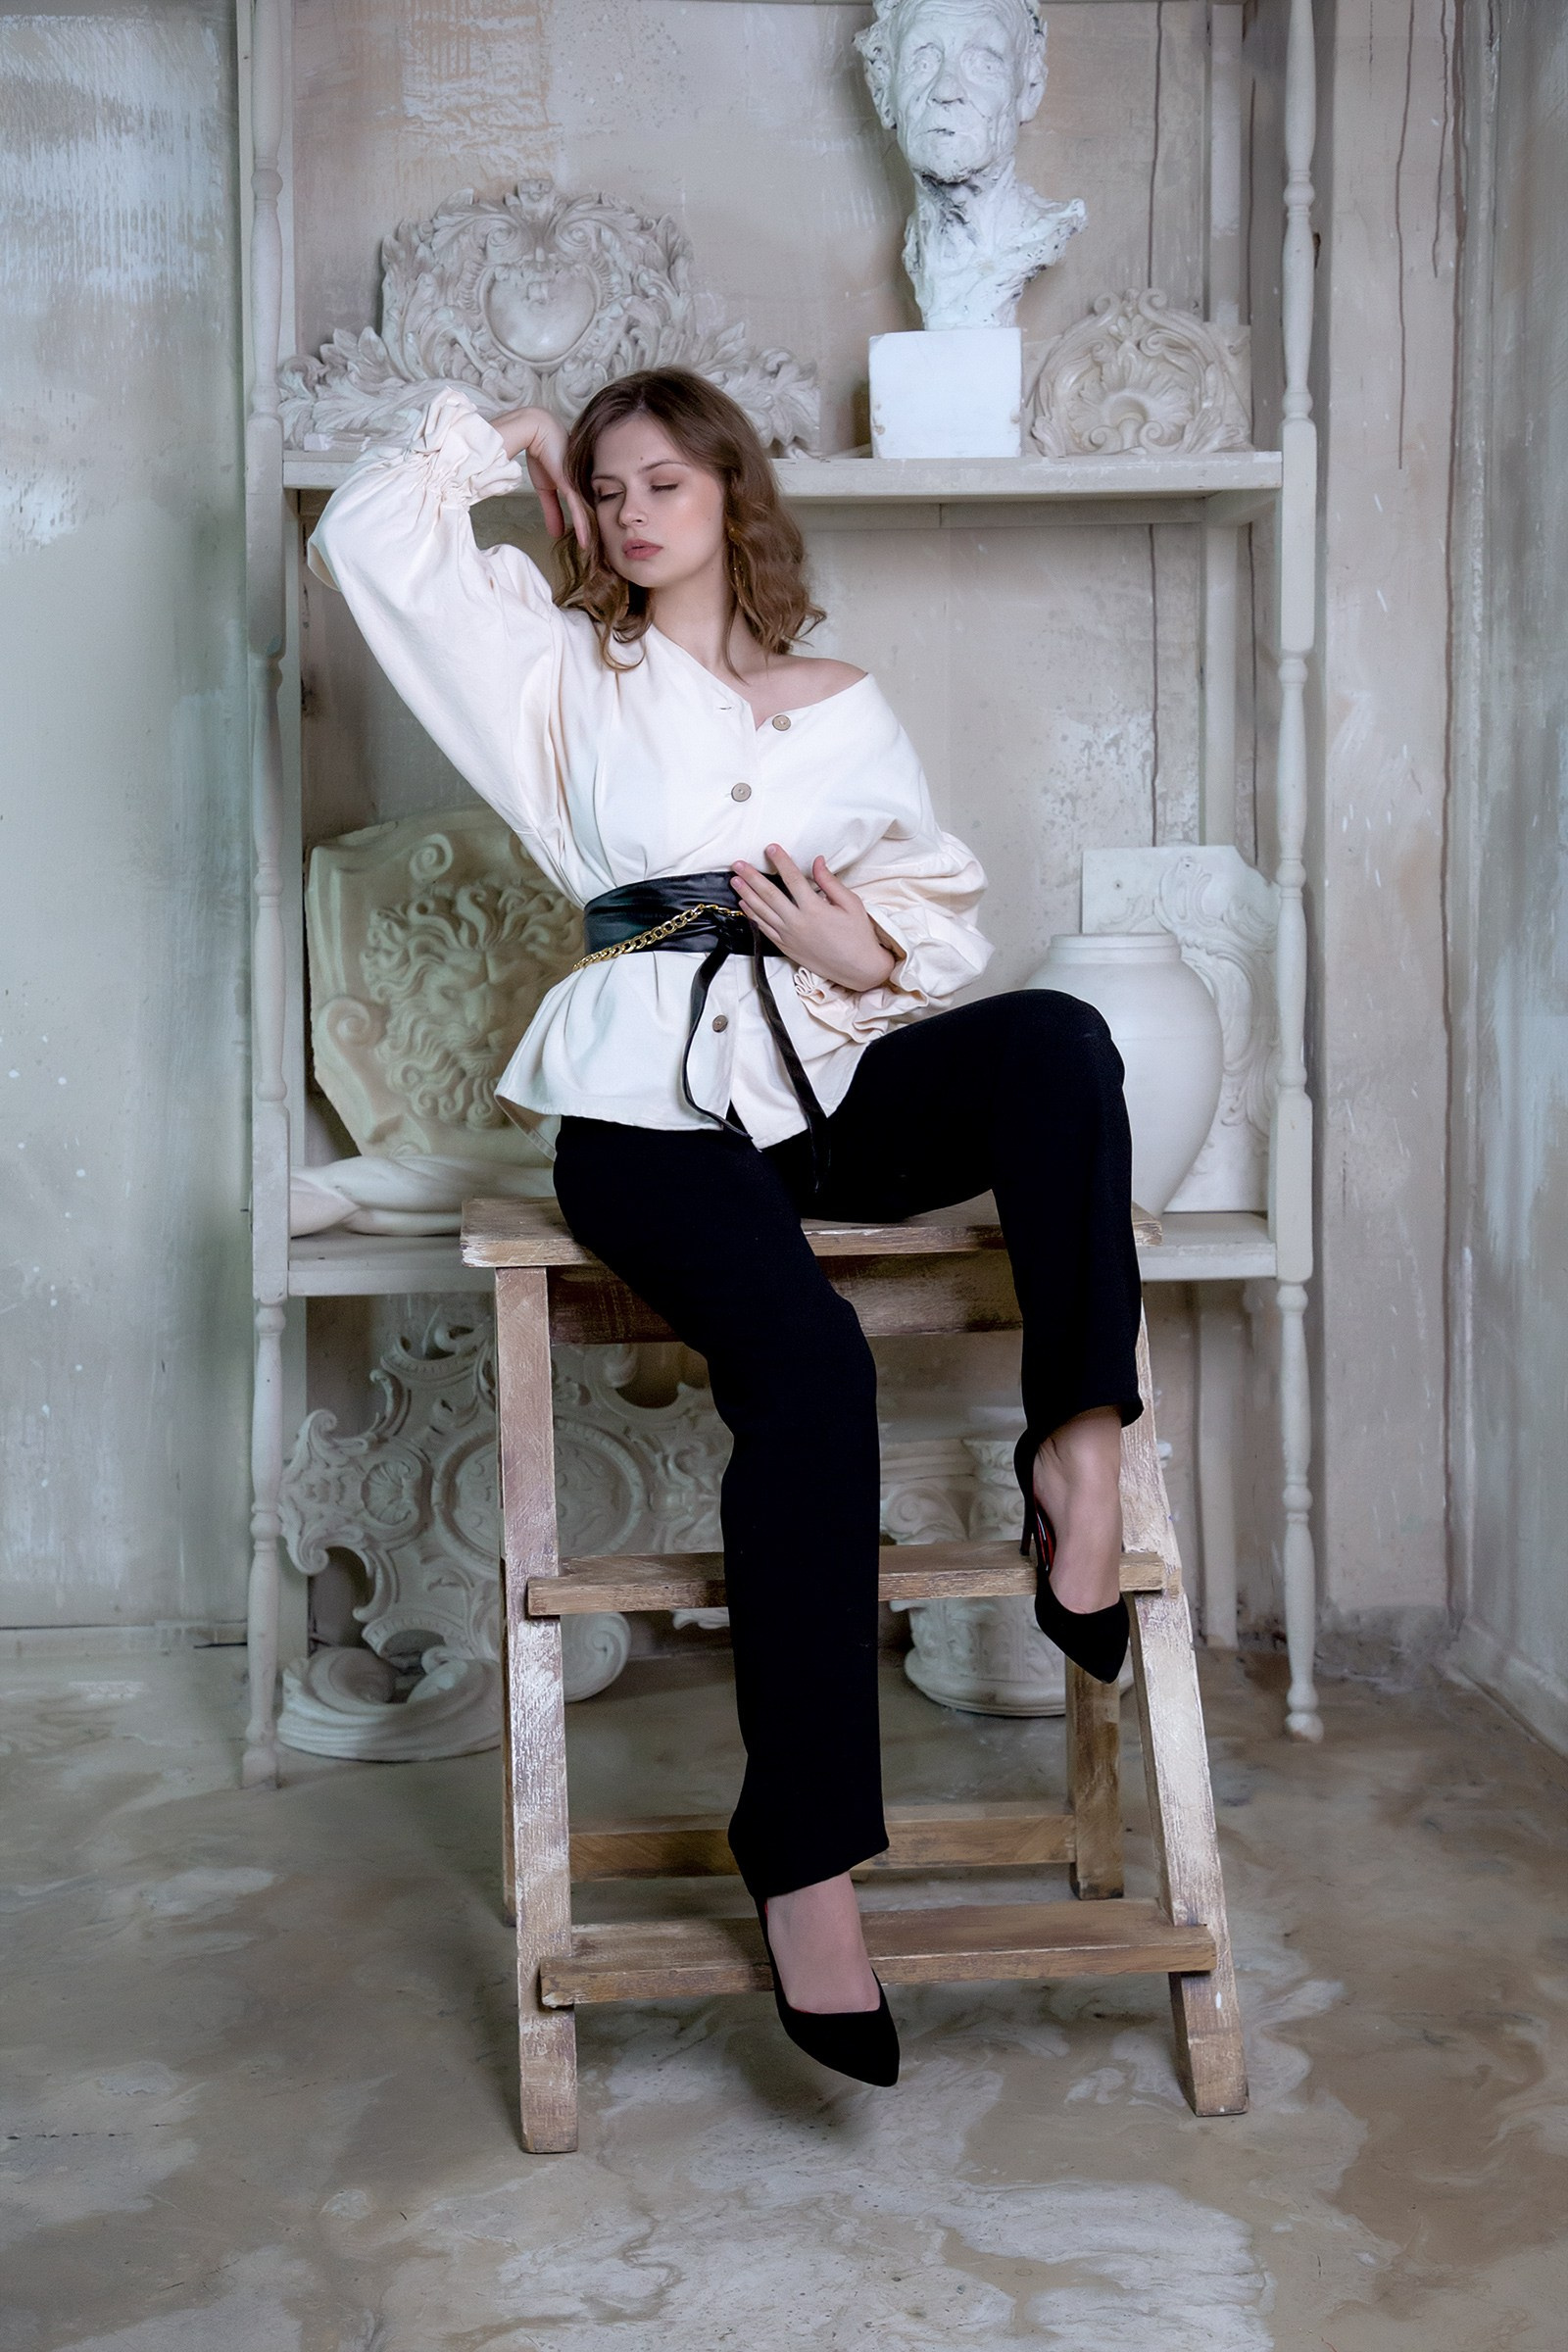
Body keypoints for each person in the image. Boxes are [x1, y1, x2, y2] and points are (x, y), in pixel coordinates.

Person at [307, 368, 1144, 2090]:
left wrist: (864, 956)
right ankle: (808, 1865)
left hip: (820, 1080)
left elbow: (927, 910)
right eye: (605, 485)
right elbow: (365, 540)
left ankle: (1076, 1446)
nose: (629, 511)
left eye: (663, 481)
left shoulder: (841, 704)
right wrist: (504, 438)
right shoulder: (559, 673)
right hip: (642, 1114)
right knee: (813, 1377)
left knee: (1060, 1043)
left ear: (731, 494)